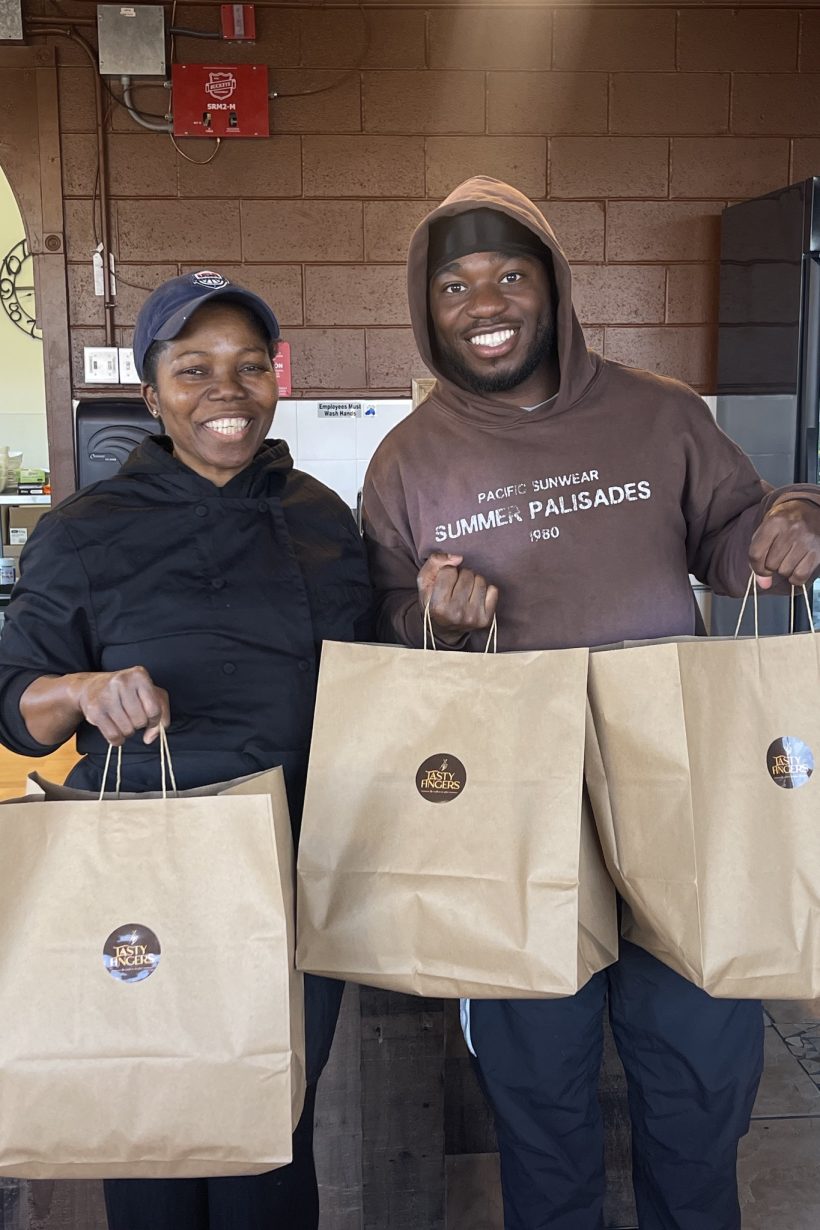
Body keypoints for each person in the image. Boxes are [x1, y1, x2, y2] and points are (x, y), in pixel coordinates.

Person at [361, 177, 820, 1230]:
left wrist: (798, 514)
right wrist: (435, 623)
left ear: (555, 288)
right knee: (536, 1091)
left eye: (511, 274)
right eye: (455, 283)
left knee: (700, 1072)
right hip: (513, 811)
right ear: (426, 309)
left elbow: (744, 538)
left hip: (678, 789)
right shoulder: (407, 461)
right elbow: (383, 627)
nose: (485, 301)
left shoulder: (660, 413)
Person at [0, 270, 372, 1230]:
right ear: (152, 387)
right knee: (155, 1124)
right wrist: (83, 690)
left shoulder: (323, 518)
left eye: (251, 367)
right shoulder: (84, 536)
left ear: (276, 379)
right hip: (141, 877)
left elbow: (372, 683)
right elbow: (13, 702)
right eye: (195, 368)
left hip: (292, 869)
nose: (228, 392)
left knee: (271, 1121)